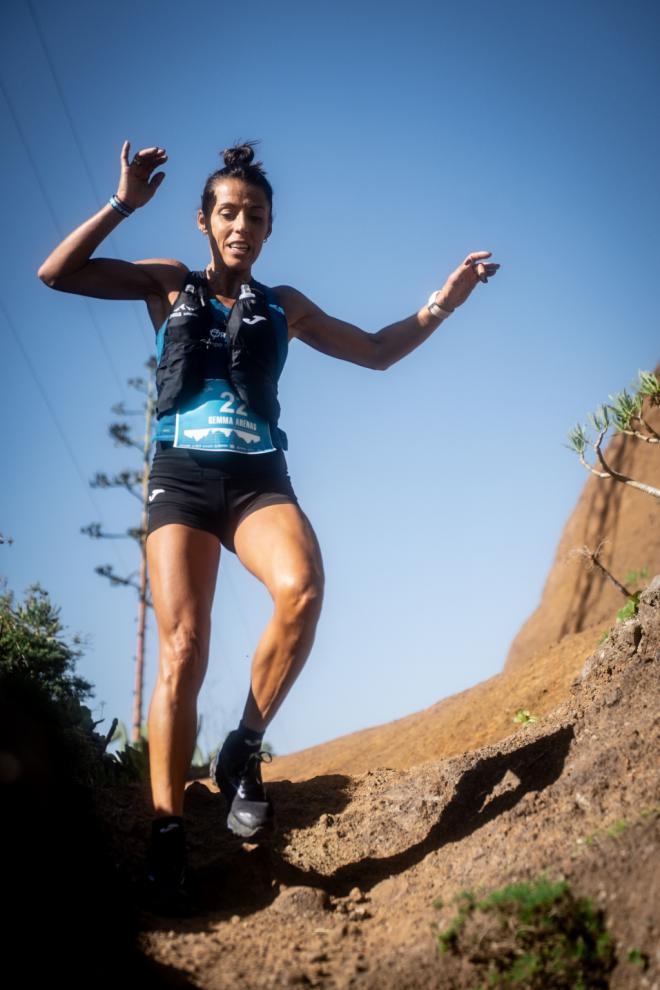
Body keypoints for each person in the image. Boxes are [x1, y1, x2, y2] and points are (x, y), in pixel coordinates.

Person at [37, 139, 500, 914]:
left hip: (258, 478)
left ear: (269, 227)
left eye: (255, 214)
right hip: (180, 479)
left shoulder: (285, 305)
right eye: (228, 212)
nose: (241, 224)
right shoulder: (167, 284)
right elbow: (57, 274)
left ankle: (243, 746)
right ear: (204, 221)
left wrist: (442, 302)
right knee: (184, 647)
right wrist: (121, 204)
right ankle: (167, 839)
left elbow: (380, 351)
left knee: (304, 589)